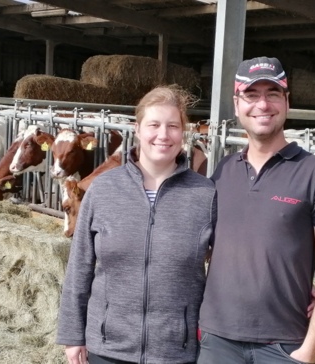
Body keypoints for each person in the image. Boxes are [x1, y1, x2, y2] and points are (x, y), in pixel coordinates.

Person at [198, 56, 315, 364]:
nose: (262, 105)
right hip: (217, 341)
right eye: (252, 95)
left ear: (286, 101)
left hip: (283, 345)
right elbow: (203, 248)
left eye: (273, 94)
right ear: (237, 104)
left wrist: (308, 351)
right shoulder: (223, 171)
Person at [56, 85, 216, 364]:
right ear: (138, 129)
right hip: (107, 348)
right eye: (154, 124)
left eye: (173, 126)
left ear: (184, 133)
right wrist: (73, 335)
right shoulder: (103, 189)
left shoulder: (205, 194)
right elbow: (80, 265)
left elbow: (228, 267)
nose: (163, 135)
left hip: (177, 352)